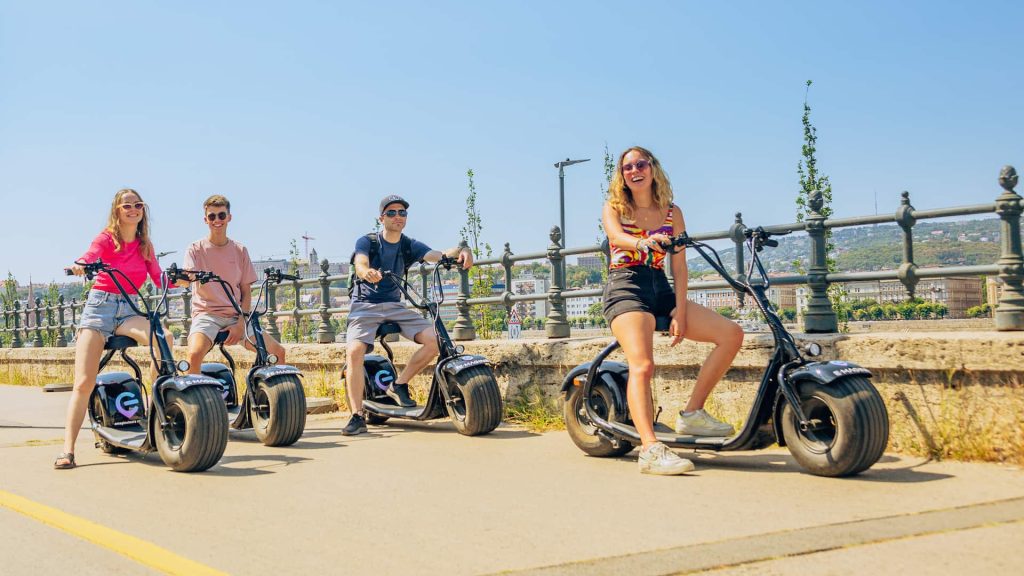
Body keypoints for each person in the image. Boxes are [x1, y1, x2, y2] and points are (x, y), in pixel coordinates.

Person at [602, 147, 744, 475]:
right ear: (622, 175)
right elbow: (616, 236)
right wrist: (641, 243)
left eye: (641, 164)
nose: (635, 170)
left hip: (661, 289)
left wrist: (680, 310)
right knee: (643, 364)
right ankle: (650, 449)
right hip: (626, 287)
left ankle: (692, 414)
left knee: (731, 334)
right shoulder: (614, 207)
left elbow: (679, 267)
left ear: (653, 168)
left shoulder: (672, 212)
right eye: (627, 167)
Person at [56, 189, 173, 470]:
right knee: (84, 382)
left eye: (138, 205)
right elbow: (90, 255)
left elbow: (158, 277)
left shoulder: (145, 245)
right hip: (100, 309)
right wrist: (80, 266)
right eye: (127, 206)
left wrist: (181, 280)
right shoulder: (107, 239)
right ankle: (68, 450)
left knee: (164, 337)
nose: (133, 209)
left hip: (130, 309)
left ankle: (153, 411)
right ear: (117, 211)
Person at [342, 194, 474, 436]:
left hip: (394, 305)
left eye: (402, 212)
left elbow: (439, 254)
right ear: (381, 218)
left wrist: (463, 251)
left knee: (435, 340)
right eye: (391, 212)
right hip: (365, 306)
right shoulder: (368, 242)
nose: (397, 216)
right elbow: (360, 263)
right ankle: (356, 415)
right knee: (354, 352)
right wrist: (366, 272)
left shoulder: (408, 245)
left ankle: (399, 384)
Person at [179, 195, 285, 375]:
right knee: (194, 355)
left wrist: (239, 324)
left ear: (229, 217)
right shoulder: (195, 249)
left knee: (278, 352)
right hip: (207, 315)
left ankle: (274, 397)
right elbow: (186, 278)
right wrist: (179, 279)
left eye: (221, 215)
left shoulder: (239, 250)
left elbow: (246, 291)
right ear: (205, 220)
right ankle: (194, 399)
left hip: (237, 315)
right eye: (212, 217)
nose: (217, 220)